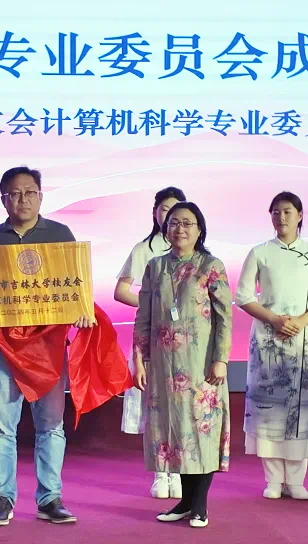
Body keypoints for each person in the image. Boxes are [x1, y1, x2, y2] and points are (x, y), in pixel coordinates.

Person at [0, 166, 95, 526]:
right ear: (3, 199)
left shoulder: (60, 235)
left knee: (51, 425)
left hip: (48, 349)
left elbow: (75, 286)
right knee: (1, 425)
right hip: (3, 348)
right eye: (14, 193)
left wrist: (81, 310)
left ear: (40, 196)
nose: (22, 199)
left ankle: (50, 499)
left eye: (29, 192)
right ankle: (2, 499)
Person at [133, 201, 232, 529]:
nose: (180, 229)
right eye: (174, 223)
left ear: (199, 229)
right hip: (164, 367)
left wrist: (220, 359)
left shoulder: (211, 266)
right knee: (177, 434)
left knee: (202, 431)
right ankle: (186, 502)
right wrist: (139, 358)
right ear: (165, 229)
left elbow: (225, 317)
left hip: (202, 366)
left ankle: (199, 505)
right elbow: (143, 316)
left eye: (188, 223)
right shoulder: (155, 267)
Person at [235, 191, 308, 501]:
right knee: (268, 407)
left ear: (300, 215)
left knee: (299, 408)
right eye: (276, 212)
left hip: (302, 340)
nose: (281, 217)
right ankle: (272, 479)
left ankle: (295, 480)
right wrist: (274, 319)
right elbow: (242, 296)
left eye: (287, 211)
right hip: (267, 339)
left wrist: (300, 321)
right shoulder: (260, 252)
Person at [114, 186, 186, 500]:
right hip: (153, 334)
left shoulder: (195, 252)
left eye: (176, 210)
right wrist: (152, 305)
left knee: (181, 405)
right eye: (164, 209)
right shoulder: (144, 249)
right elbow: (121, 291)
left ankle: (179, 472)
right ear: (155, 213)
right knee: (156, 405)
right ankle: (160, 473)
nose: (170, 216)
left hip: (185, 340)